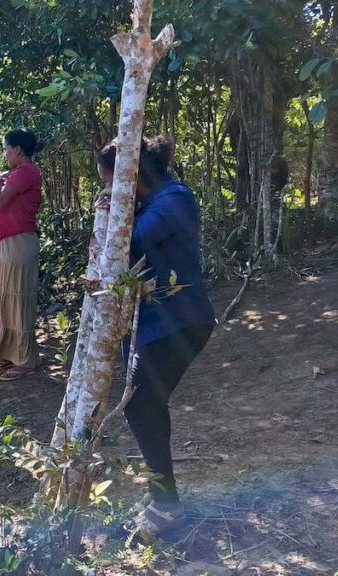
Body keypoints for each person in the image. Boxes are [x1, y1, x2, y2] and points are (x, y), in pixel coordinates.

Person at [97, 136, 216, 536]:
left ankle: (167, 507)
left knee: (142, 405)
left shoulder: (175, 198)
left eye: (109, 183)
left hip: (179, 321)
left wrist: (117, 213)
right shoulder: (154, 201)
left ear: (130, 175)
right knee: (145, 404)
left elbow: (129, 246)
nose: (106, 192)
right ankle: (163, 499)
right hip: (154, 324)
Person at [0, 129, 43, 381]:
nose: (4, 154)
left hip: (17, 243)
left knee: (16, 301)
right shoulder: (17, 174)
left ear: (17, 149)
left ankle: (25, 360)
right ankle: (4, 355)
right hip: (1, 245)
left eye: (6, 148)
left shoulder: (26, 172)